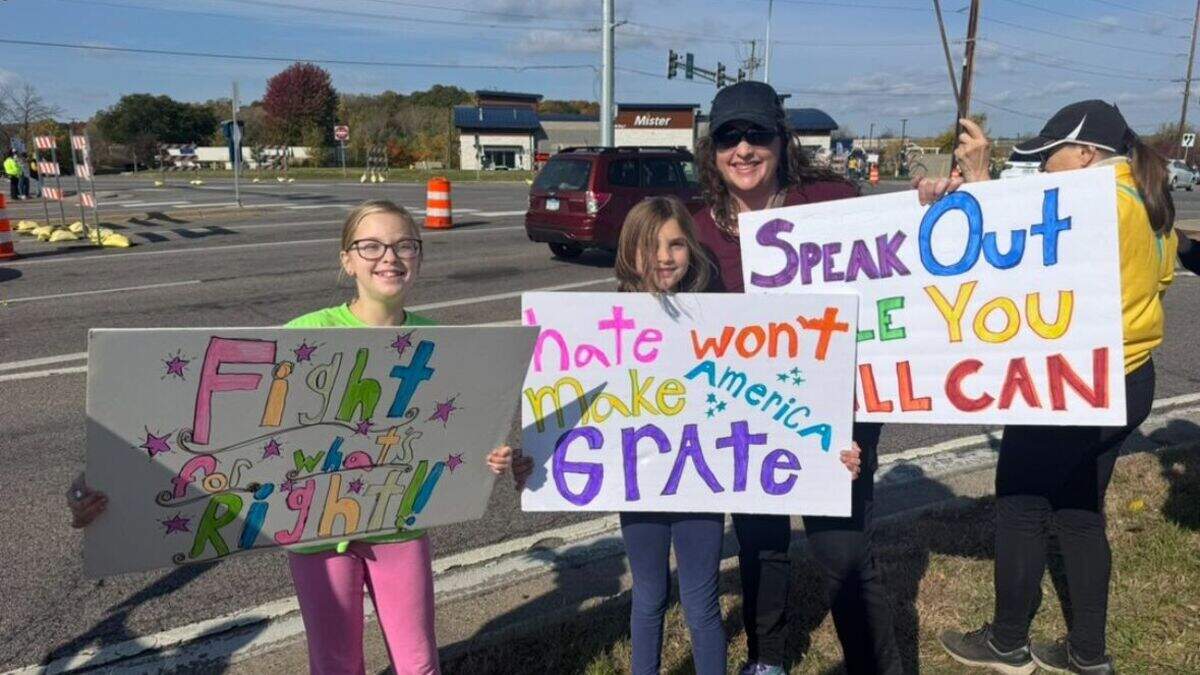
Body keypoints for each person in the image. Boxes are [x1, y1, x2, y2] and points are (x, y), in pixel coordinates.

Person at [70, 199, 534, 675]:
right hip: (315, 535)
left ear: (419, 256)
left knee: (418, 661)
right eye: (371, 245)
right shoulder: (304, 335)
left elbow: (460, 433)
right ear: (347, 260)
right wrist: (108, 473)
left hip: (401, 526)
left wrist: (494, 458)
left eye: (403, 245)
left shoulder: (441, 342)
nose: (389, 257)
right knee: (334, 663)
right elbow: (215, 425)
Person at [919, 101, 1176, 675]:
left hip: (1075, 383)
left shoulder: (1097, 203)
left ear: (1086, 154)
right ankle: (1088, 653)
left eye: (1049, 158)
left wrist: (980, 183)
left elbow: (1014, 263)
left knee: (1019, 503)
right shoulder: (1147, 200)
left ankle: (1007, 641)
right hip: (1130, 378)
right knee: (1080, 511)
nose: (1040, 172)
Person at [691, 80, 902, 675]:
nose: (744, 149)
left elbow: (907, 245)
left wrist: (936, 196)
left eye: (757, 134)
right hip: (747, 412)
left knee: (842, 549)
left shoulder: (831, 203)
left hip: (837, 414)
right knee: (760, 543)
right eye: (729, 136)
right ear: (712, 149)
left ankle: (874, 665)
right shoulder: (694, 225)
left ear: (781, 142)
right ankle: (768, 659)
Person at [611, 195, 864, 675]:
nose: (664, 257)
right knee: (648, 596)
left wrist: (826, 451)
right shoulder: (599, 327)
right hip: (639, 482)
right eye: (651, 246)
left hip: (702, 483)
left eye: (676, 244)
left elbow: (769, 398)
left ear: (691, 249)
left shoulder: (720, 321)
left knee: (701, 599)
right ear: (629, 252)